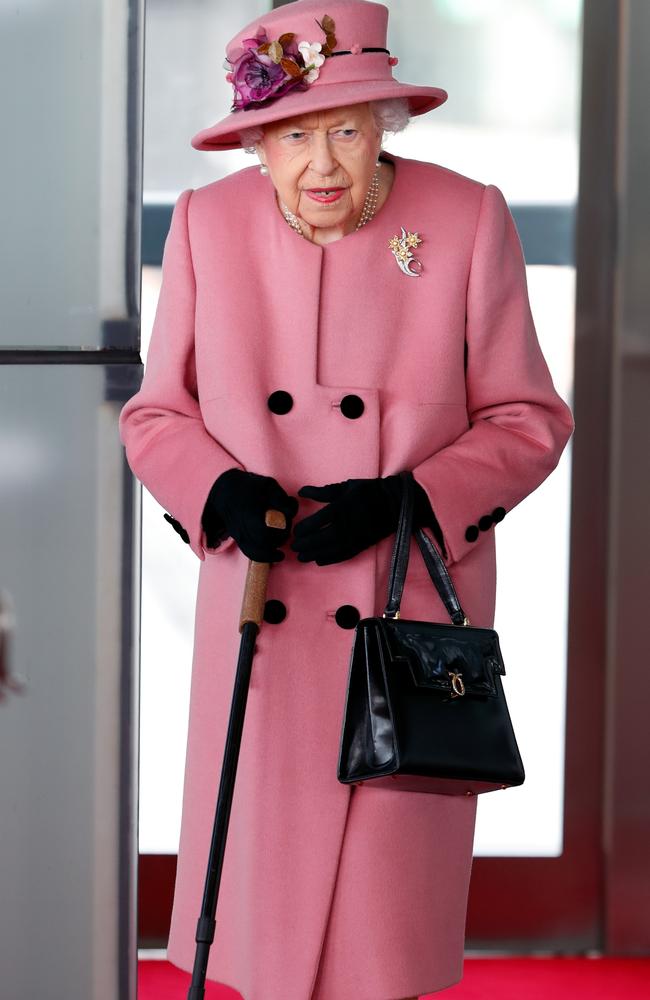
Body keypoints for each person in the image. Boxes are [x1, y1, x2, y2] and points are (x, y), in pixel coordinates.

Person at [118, 1, 574, 997]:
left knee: (378, 940)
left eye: (343, 129)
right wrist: (218, 485)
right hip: (264, 615)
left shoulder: (463, 218)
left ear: (384, 129)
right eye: (291, 134)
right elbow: (156, 416)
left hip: (398, 622)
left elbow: (526, 417)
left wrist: (411, 493)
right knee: (262, 920)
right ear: (257, 141)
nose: (318, 164)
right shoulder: (207, 224)